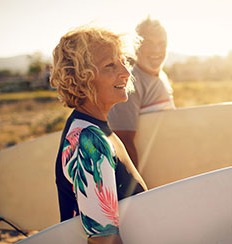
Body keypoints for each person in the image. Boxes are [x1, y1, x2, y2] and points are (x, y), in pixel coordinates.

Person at [50, 25, 148, 244]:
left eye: (123, 60)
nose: (125, 72)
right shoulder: (89, 141)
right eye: (110, 65)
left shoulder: (97, 130)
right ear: (81, 79)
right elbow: (103, 240)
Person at [108, 17, 175, 169]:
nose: (157, 50)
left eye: (161, 44)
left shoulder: (162, 76)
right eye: (149, 43)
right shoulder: (129, 83)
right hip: (148, 178)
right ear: (136, 46)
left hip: (167, 169)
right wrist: (138, 189)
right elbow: (123, 141)